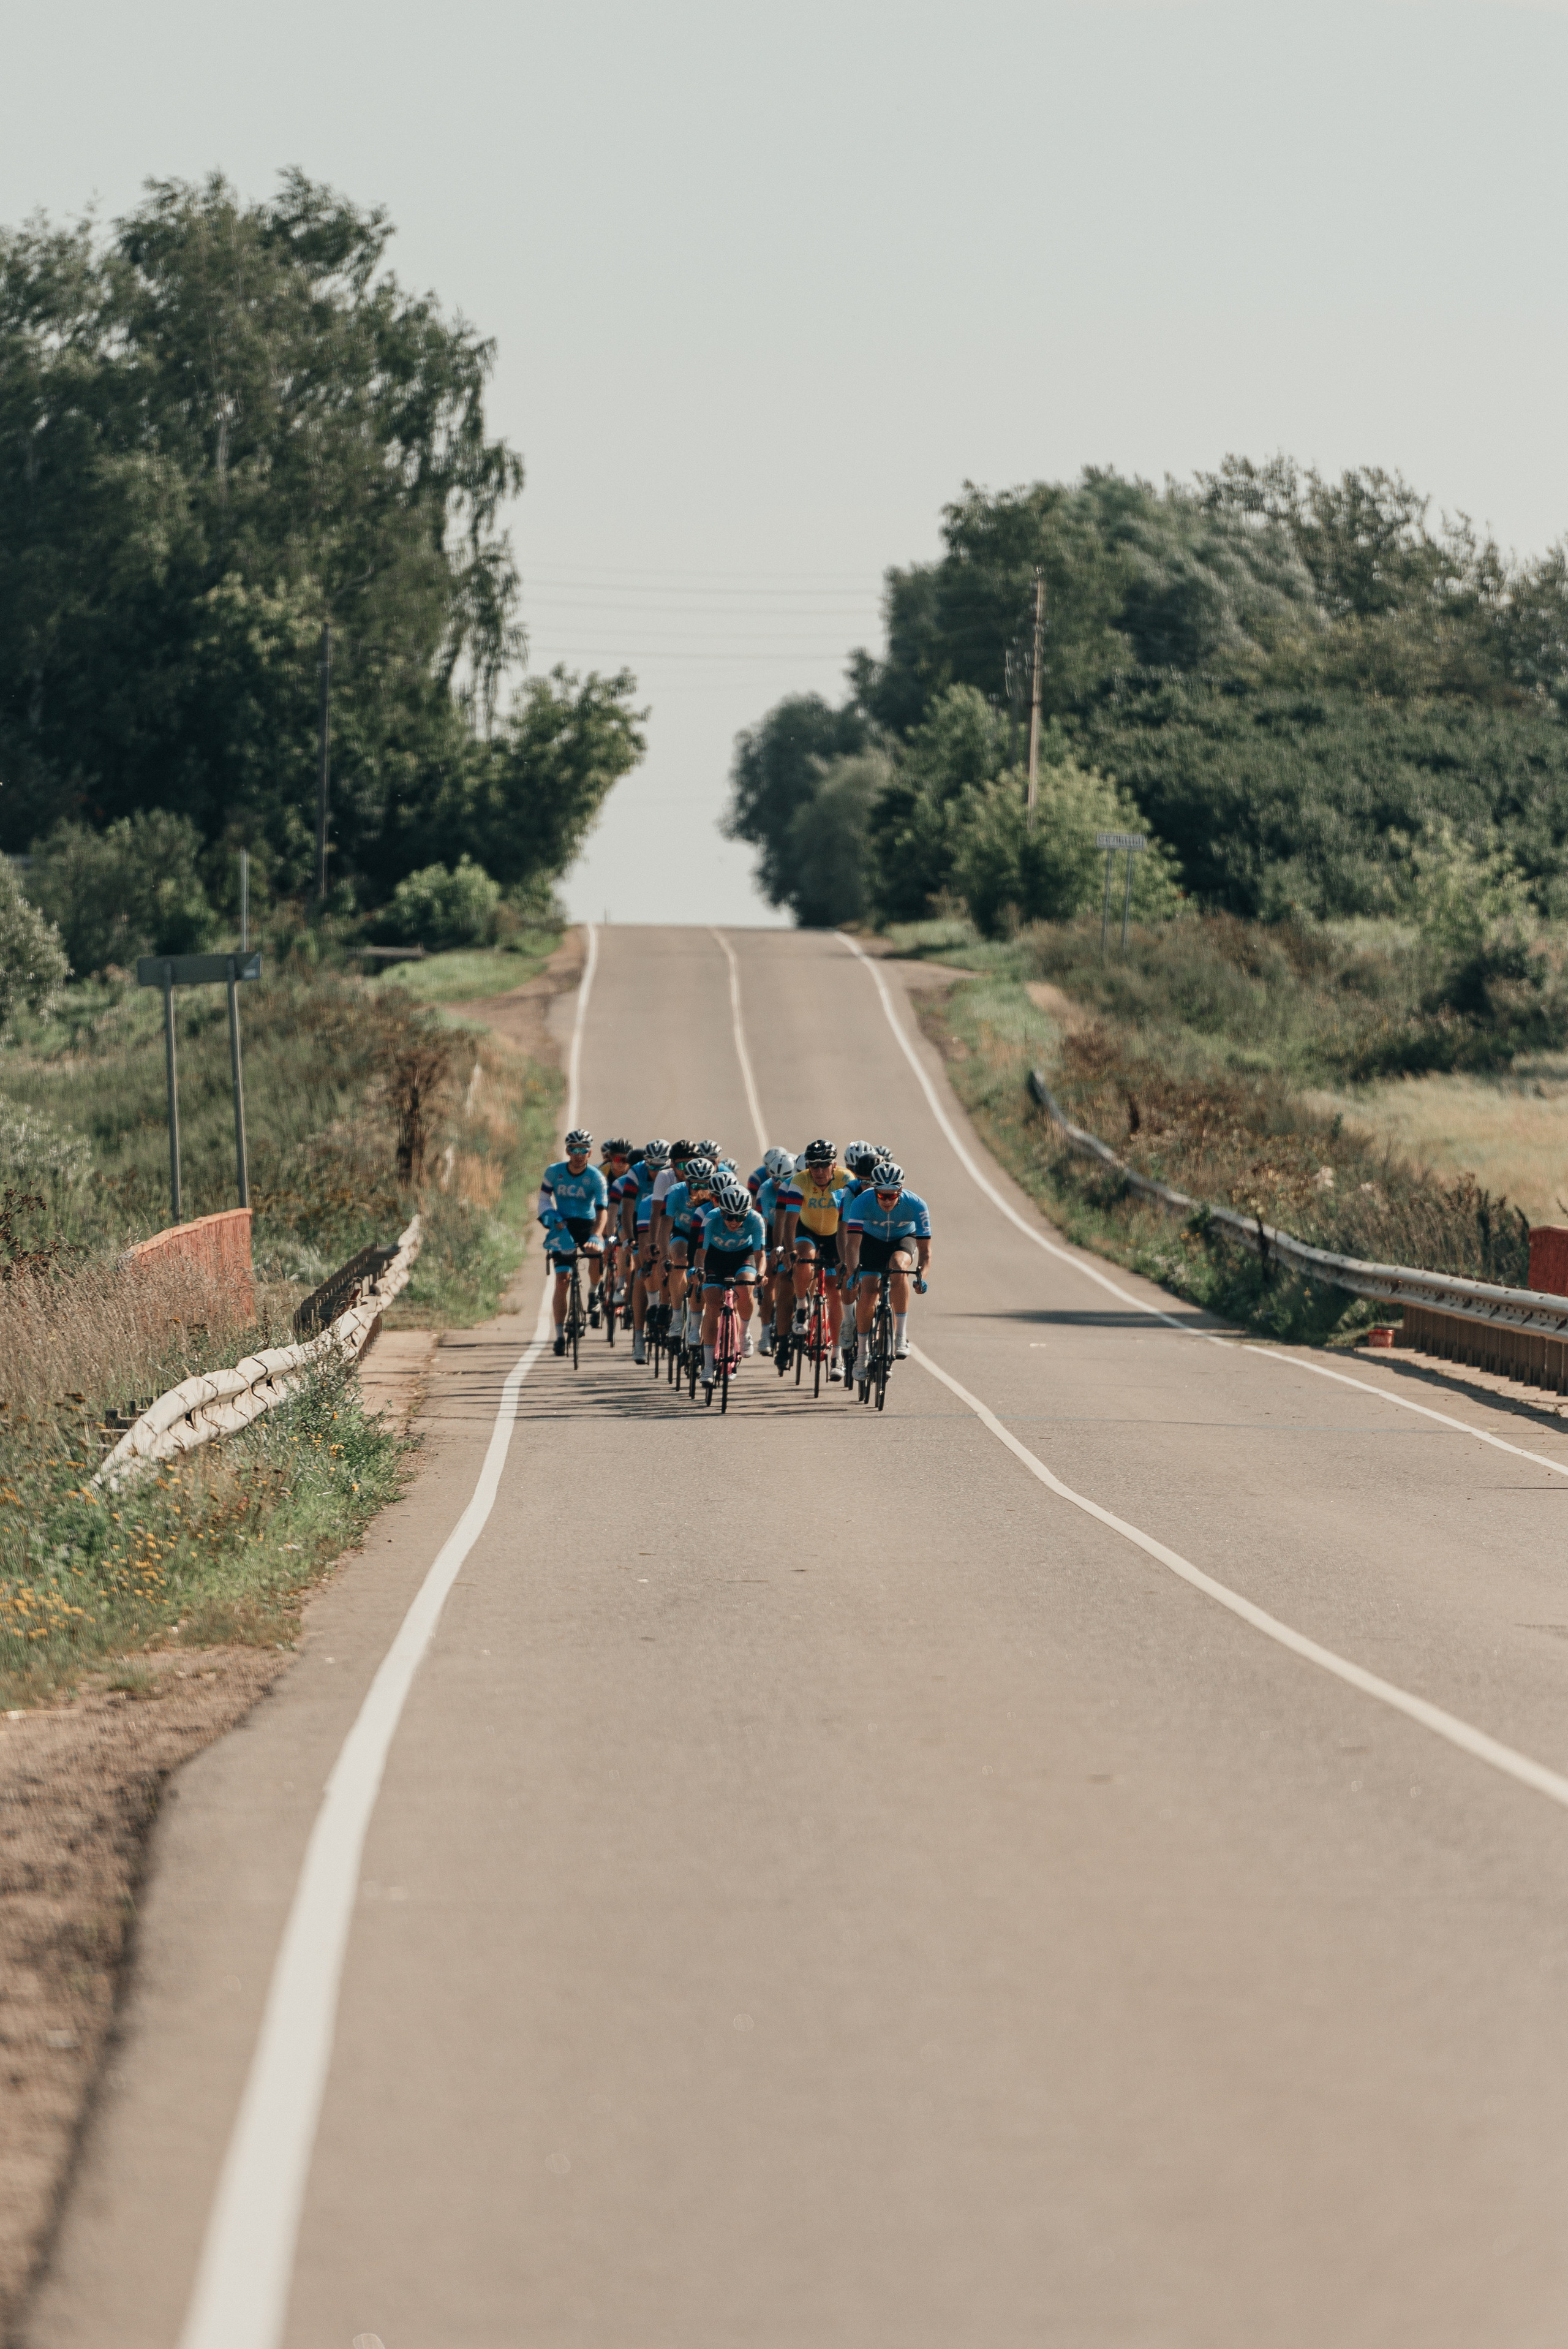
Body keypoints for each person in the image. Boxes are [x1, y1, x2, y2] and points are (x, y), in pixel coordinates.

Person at [840, 1159, 931, 1361]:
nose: (887, 1201)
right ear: (874, 1191)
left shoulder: (917, 1205)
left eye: (892, 1195)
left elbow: (926, 1251)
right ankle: (862, 1354)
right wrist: (853, 1273)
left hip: (903, 1238)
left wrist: (921, 1277)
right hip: (871, 1241)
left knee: (898, 1267)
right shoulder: (861, 1202)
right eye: (882, 1195)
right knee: (868, 1293)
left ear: (901, 1191)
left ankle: (900, 1336)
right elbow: (852, 1245)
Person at [778, 1138, 851, 1379]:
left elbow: (847, 1223)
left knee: (834, 1291)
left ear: (834, 1165)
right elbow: (790, 1223)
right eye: (813, 1165)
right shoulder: (800, 1181)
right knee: (803, 1258)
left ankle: (837, 1354)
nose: (819, 1170)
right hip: (807, 1231)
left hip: (836, 1235)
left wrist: (845, 1258)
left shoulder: (846, 1180)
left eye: (824, 1165)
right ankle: (802, 1305)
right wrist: (789, 1252)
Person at [538, 1129, 609, 1355]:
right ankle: (559, 1336)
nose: (579, 1155)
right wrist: (552, 1217)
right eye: (574, 1150)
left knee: (596, 1253)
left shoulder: (596, 1177)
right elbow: (543, 1200)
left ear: (590, 1153)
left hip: (587, 1225)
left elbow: (603, 1211)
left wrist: (596, 1235)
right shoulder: (554, 1171)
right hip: (563, 1226)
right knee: (562, 1281)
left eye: (583, 1150)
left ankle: (594, 1293)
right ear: (568, 1151)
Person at [694, 1178, 767, 1390]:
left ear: (747, 1213)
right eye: (729, 1216)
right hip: (715, 1258)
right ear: (721, 1211)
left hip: (743, 1257)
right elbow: (700, 1253)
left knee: (745, 1287)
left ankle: (744, 1332)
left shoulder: (756, 1220)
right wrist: (699, 1271)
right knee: (712, 1304)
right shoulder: (710, 1218)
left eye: (740, 1217)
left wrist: (760, 1274)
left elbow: (760, 1255)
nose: (734, 1222)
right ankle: (708, 1367)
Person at [619, 1139, 669, 1363]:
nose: (657, 1171)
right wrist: (630, 1239)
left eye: (662, 1166)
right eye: (652, 1166)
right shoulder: (635, 1173)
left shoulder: (673, 1177)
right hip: (640, 1217)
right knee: (643, 1270)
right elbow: (627, 1209)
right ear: (645, 1163)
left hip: (667, 1217)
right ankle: (639, 1338)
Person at [751, 1146, 794, 1356]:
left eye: (784, 1179)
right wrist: (770, 1255)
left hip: (793, 1233)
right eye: (775, 1178)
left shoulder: (799, 1187)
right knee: (769, 1278)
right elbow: (762, 1226)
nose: (778, 1183)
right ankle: (766, 1333)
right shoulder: (765, 1190)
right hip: (770, 1233)